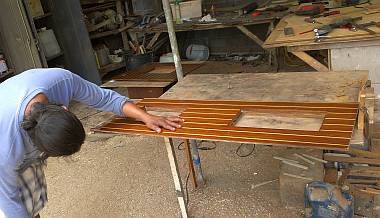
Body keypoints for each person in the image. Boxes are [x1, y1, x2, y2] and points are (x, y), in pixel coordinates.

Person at [0, 68, 182, 218]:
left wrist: (146, 117)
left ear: (64, 108)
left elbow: (105, 98)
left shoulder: (62, 81)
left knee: (31, 199)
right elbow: (9, 199)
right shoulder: (8, 150)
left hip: (10, 103)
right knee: (17, 204)